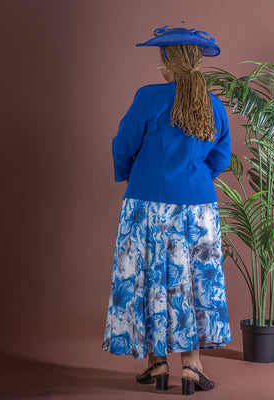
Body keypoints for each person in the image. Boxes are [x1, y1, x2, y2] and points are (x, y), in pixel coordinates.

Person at [102, 24, 232, 396]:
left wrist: (135, 173)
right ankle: (191, 366)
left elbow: (123, 146)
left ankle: (157, 363)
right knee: (189, 281)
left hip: (147, 203)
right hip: (197, 206)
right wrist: (191, 176)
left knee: (151, 278)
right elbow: (219, 157)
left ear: (167, 62)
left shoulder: (149, 97)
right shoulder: (214, 104)